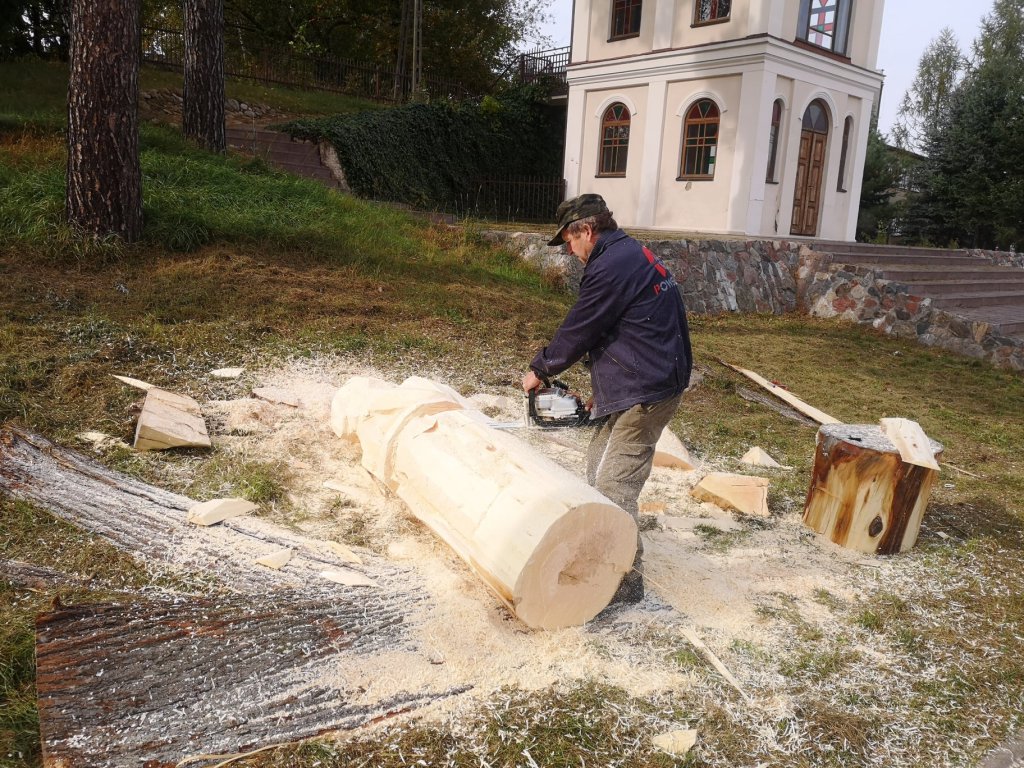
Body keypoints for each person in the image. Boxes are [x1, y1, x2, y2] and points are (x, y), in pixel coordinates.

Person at [522, 193, 692, 604]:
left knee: (615, 487)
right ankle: (598, 552)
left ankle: (624, 584)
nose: (569, 250)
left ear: (586, 229)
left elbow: (582, 326)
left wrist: (541, 369)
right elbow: (622, 328)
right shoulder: (626, 252)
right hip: (645, 374)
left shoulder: (612, 266)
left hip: (648, 387)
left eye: (569, 240)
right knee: (596, 465)